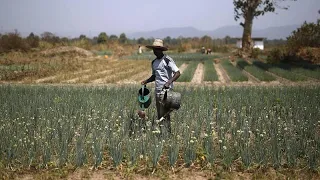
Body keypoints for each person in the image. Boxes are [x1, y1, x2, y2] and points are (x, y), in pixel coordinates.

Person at [141, 39, 180, 134]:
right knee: (160, 113)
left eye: (157, 49)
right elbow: (155, 76)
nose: (155, 51)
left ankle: (168, 134)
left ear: (161, 50)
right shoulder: (154, 62)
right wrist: (146, 81)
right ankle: (163, 133)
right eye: (154, 49)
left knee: (165, 113)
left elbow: (177, 73)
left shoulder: (167, 60)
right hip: (158, 91)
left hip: (167, 91)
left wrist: (169, 82)